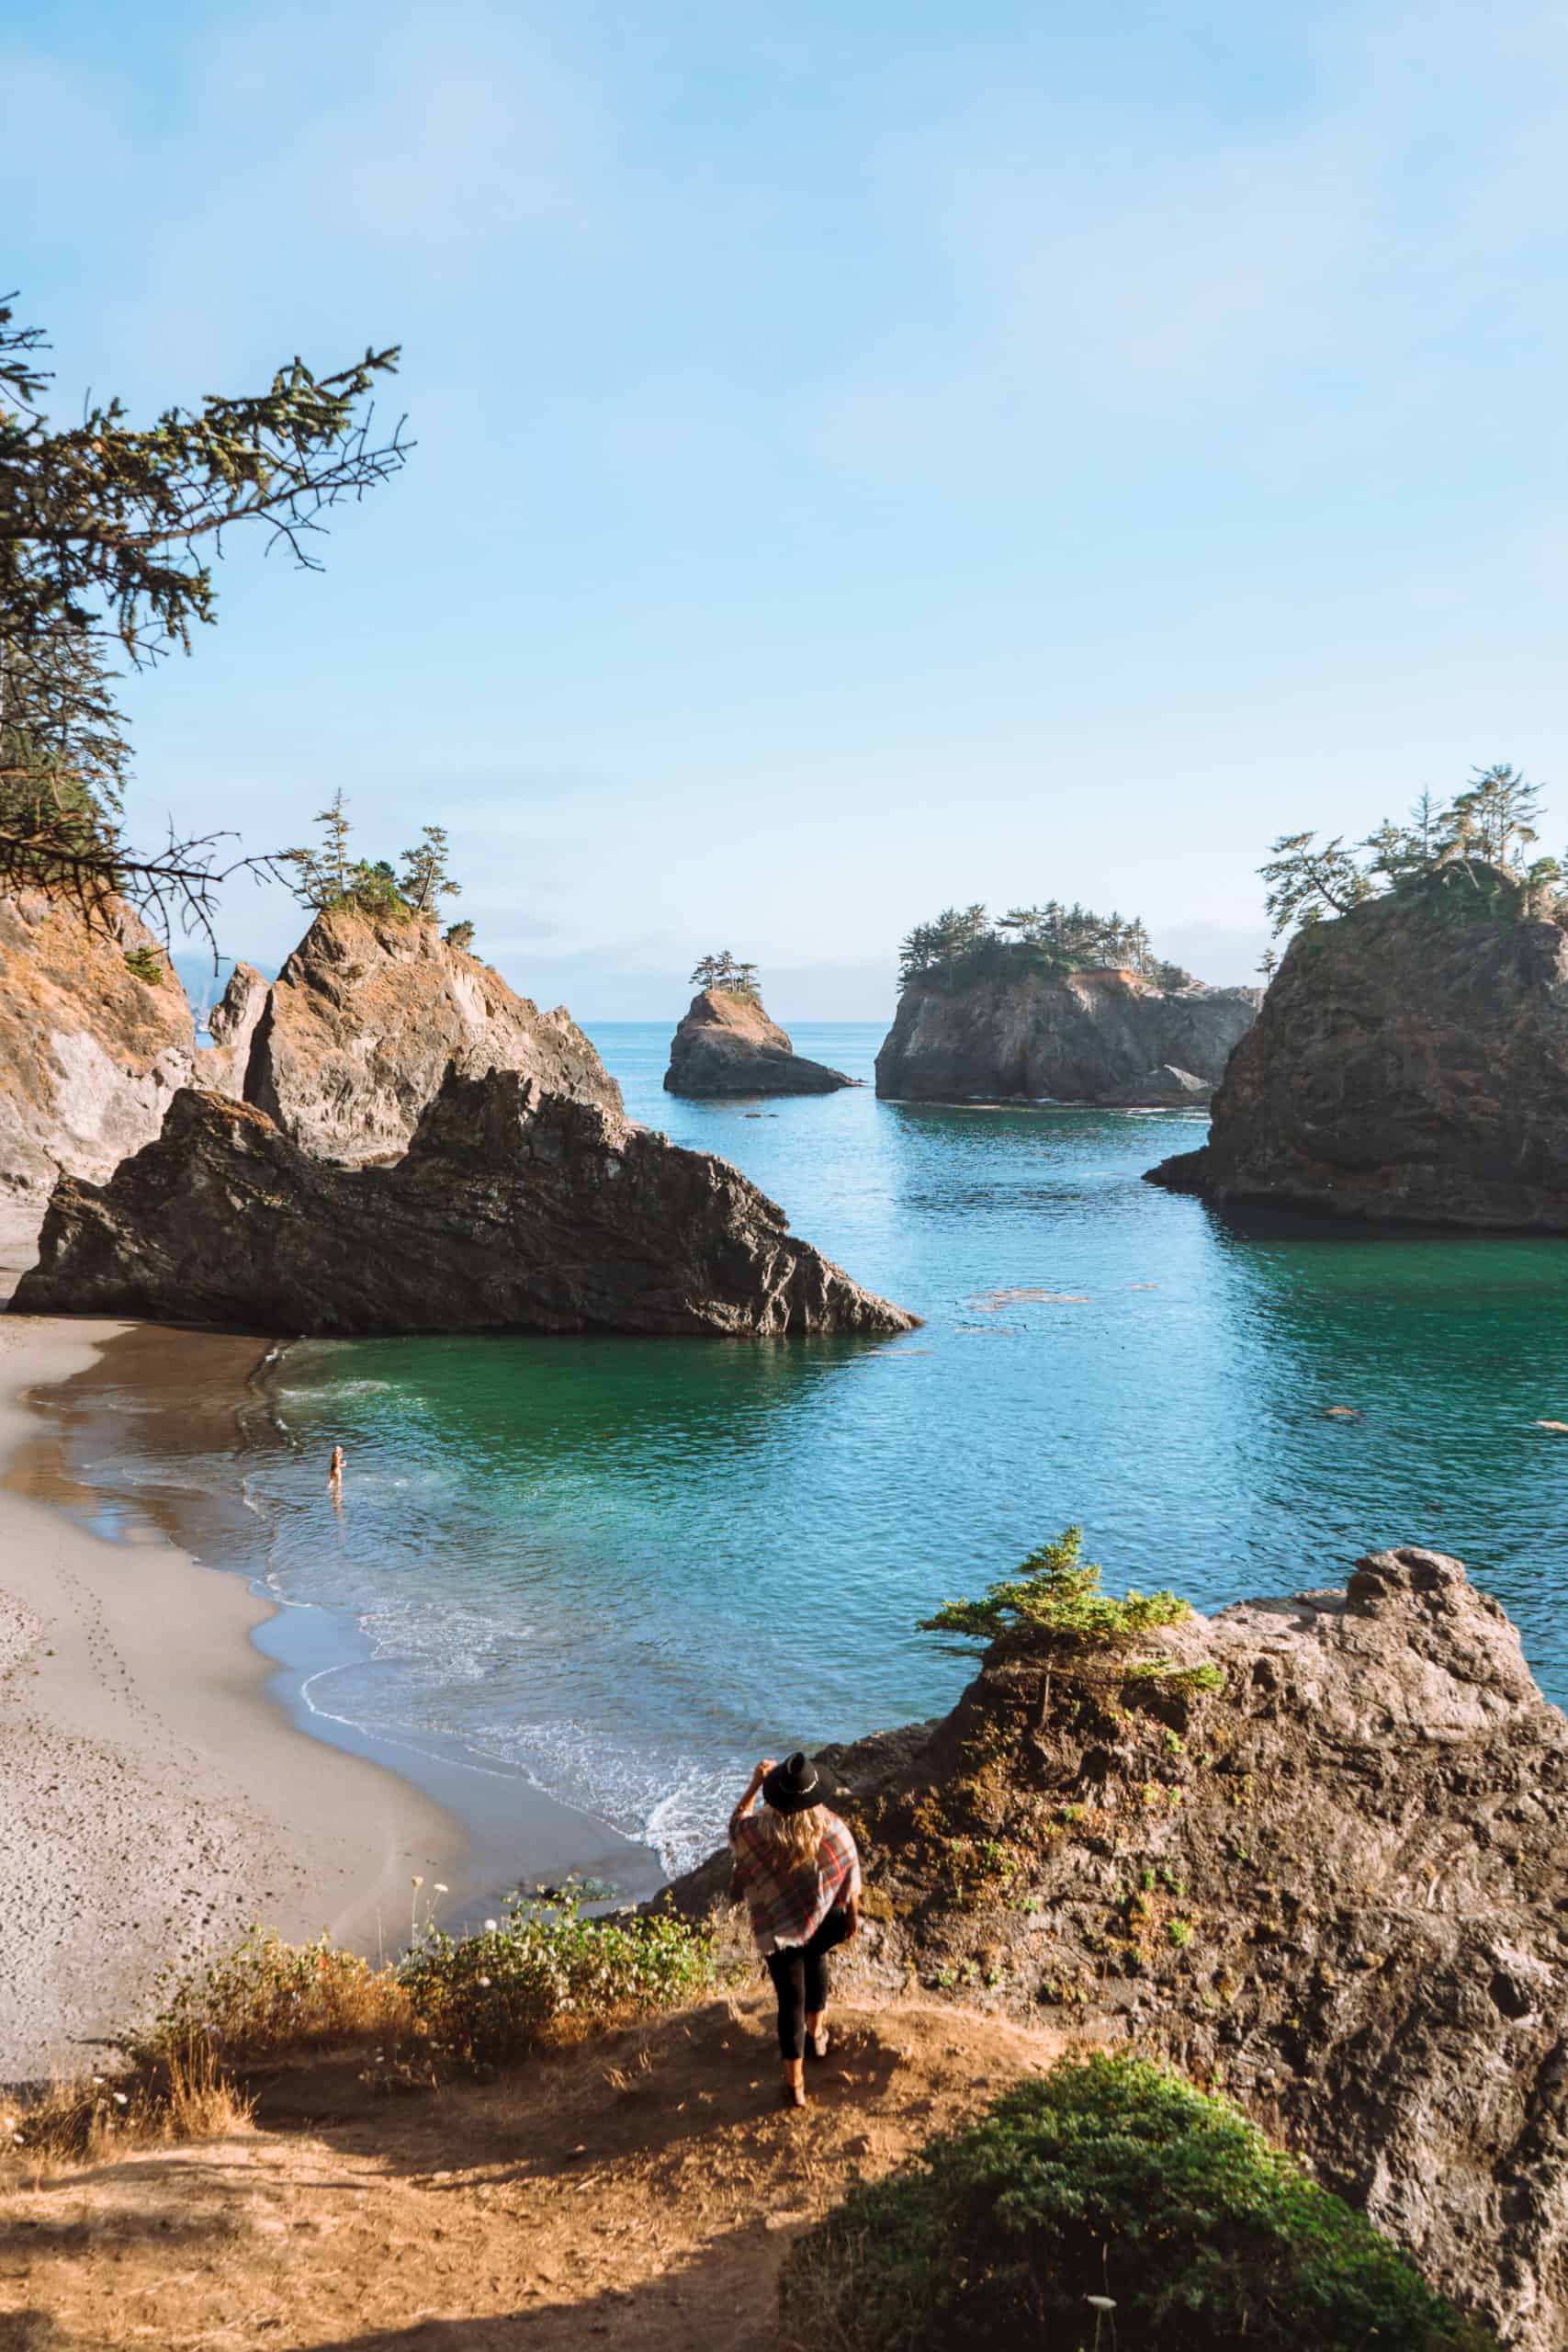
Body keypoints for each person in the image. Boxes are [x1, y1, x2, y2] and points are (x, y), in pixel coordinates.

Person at [728, 1751, 861, 2109]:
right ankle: (817, 2034)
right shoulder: (833, 1827)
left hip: (781, 1929)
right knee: (817, 1961)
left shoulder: (757, 1832)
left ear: (776, 1796)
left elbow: (735, 1823)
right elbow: (850, 1877)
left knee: (790, 2002)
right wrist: (851, 1919)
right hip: (825, 1920)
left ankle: (796, 2086)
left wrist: (755, 1783)